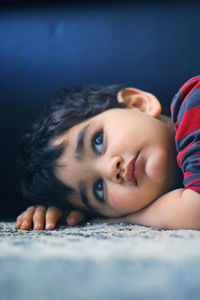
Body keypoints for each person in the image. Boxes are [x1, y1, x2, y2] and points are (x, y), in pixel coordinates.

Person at [15, 76, 200, 231]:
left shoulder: (193, 101)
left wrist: (132, 217)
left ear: (138, 104)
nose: (110, 169)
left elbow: (195, 209)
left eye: (98, 141)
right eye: (98, 189)